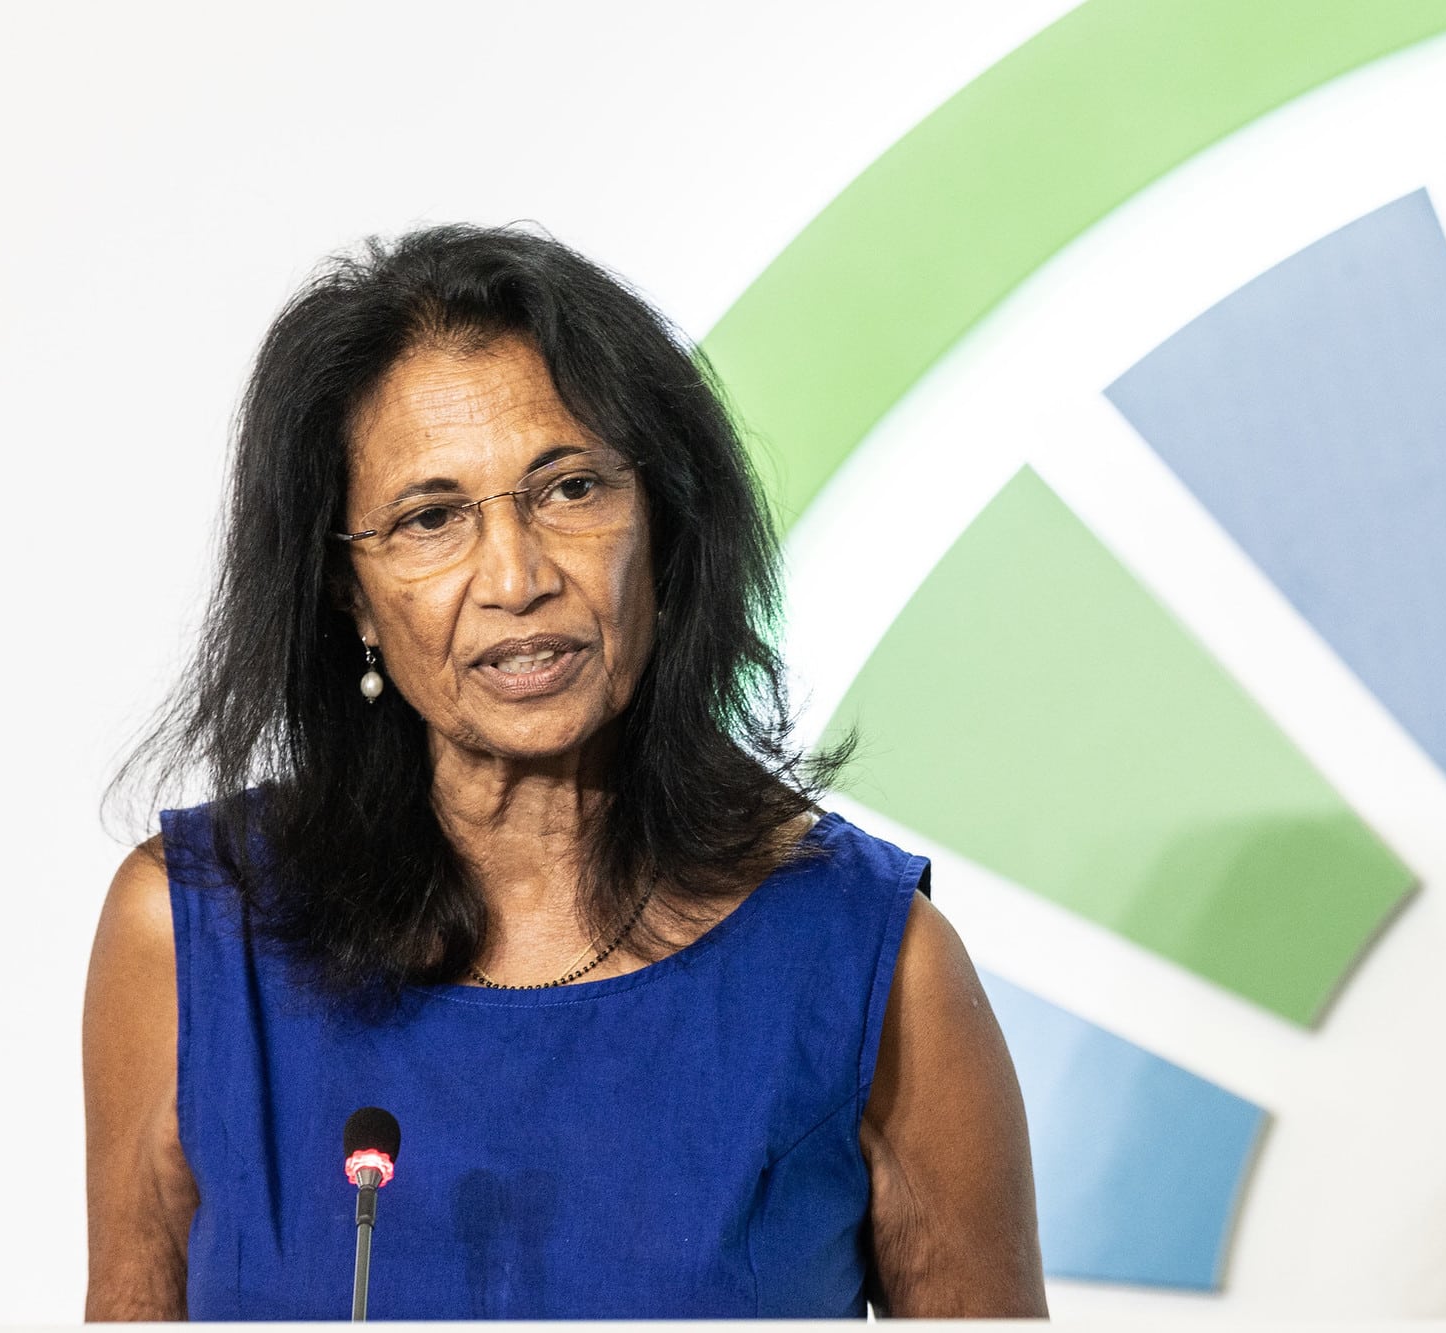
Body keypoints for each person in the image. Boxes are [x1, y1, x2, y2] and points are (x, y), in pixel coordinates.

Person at [83, 224, 1046, 1320]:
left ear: (665, 525)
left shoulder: (872, 961)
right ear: (347, 594)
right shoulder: (191, 937)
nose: (516, 575)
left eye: (570, 489)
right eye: (430, 518)